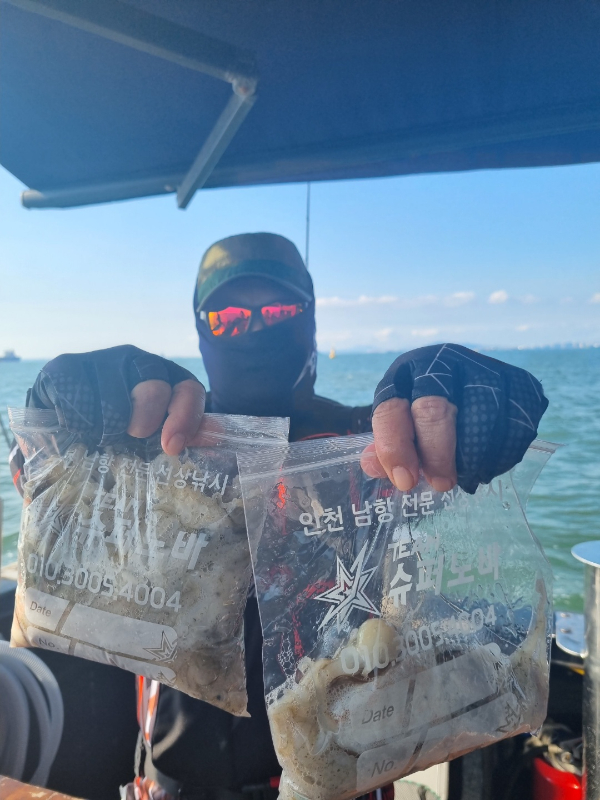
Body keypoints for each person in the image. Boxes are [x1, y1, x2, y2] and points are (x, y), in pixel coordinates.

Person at [10, 233, 548, 800]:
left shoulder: (371, 446)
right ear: (201, 329)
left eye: (279, 311)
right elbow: (38, 488)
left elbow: (450, 482)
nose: (254, 329)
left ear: (309, 319)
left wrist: (454, 401)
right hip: (170, 782)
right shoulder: (155, 447)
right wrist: (52, 420)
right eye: (228, 317)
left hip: (346, 779)